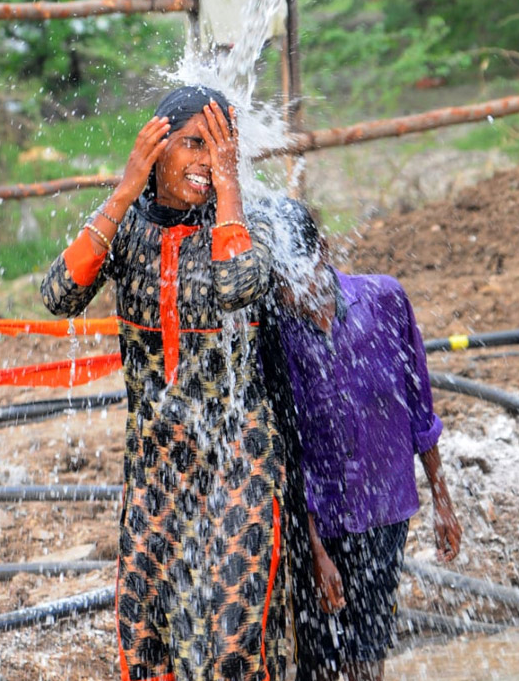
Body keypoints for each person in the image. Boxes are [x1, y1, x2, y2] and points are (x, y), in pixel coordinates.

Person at [41, 85, 286, 681]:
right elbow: (57, 296)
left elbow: (236, 289)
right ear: (156, 148)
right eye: (194, 145)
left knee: (231, 644)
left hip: (239, 463)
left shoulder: (248, 229)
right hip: (155, 466)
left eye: (222, 147)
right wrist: (125, 190)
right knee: (146, 638)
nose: (208, 160)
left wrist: (229, 189)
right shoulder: (125, 230)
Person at [270, 200, 462, 681]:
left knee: (367, 652)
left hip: (385, 508)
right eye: (281, 284)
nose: (294, 294)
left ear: (323, 255)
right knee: (319, 659)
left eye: (300, 278)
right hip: (321, 519)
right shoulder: (277, 333)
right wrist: (315, 550)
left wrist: (442, 500)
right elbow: (288, 447)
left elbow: (420, 406)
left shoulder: (384, 300)